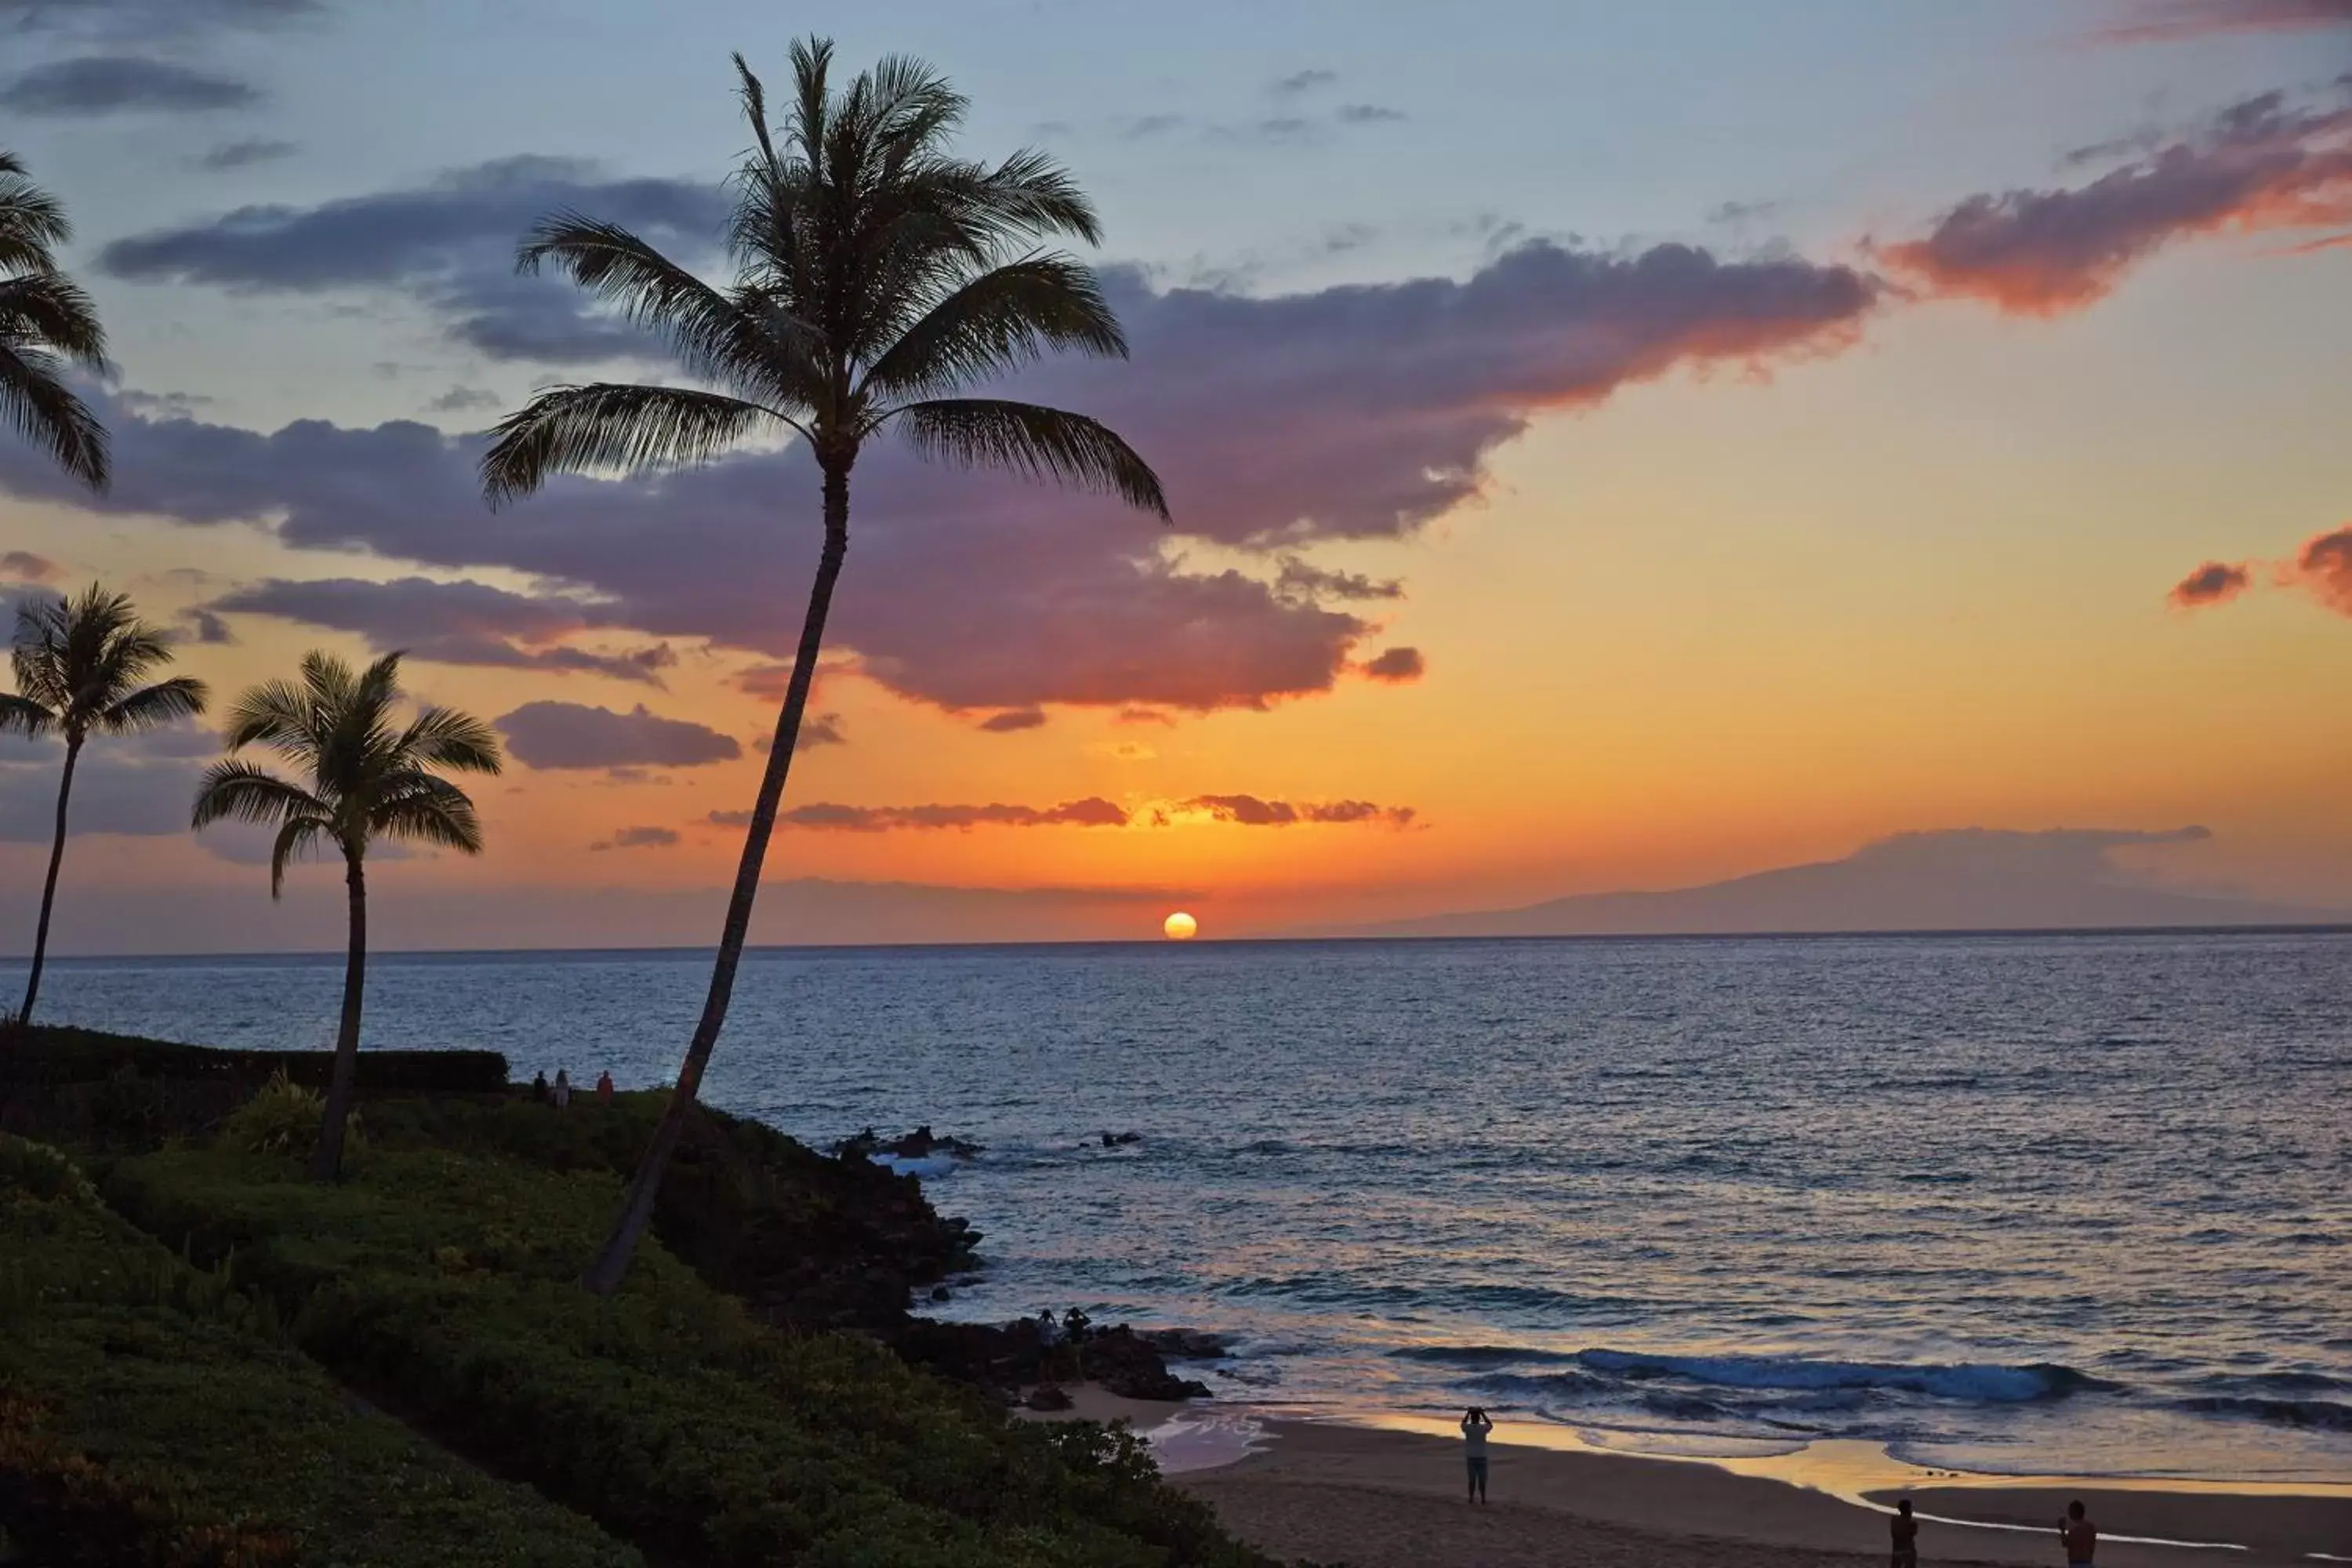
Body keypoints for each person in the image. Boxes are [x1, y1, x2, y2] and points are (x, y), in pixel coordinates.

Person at [1460, 1406, 1491, 1503]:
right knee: (1482, 1481)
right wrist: (1483, 1413)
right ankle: (1483, 1498)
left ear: (1471, 1418)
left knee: (1472, 1480)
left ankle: (1471, 1498)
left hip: (1471, 1457)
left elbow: (1462, 1424)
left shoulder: (1468, 1428)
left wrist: (1468, 1413)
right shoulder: (1482, 1428)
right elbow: (1490, 1424)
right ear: (1478, 1418)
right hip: (1481, 1456)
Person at [2060, 1500, 2096, 1566]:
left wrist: (2062, 1530)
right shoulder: (2091, 1527)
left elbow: (2065, 1543)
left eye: (2070, 1511)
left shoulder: (2075, 1529)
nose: (2069, 1513)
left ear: (2075, 1512)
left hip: (2076, 1562)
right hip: (2088, 1562)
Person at [1890, 1497, 1918, 1567]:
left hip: (1897, 1549)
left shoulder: (1894, 1520)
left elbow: (1894, 1533)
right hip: (1908, 1549)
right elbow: (1914, 1532)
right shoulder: (1911, 1522)